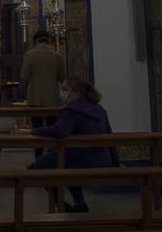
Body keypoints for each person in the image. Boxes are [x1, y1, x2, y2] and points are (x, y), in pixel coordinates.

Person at [29, 77, 115, 213]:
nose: (61, 93)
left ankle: (62, 205)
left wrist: (35, 131)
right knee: (64, 168)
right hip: (101, 158)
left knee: (36, 169)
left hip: (79, 157)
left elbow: (60, 130)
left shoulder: (73, 110)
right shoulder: (98, 108)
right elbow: (110, 136)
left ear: (76, 92)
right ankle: (80, 203)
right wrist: (115, 162)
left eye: (64, 90)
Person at [20, 30, 66, 155]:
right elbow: (62, 77)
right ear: (48, 40)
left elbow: (24, 77)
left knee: (37, 128)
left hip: (35, 97)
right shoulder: (57, 56)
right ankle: (52, 156)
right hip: (52, 98)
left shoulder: (29, 55)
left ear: (35, 41)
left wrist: (23, 90)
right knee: (52, 128)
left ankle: (38, 156)